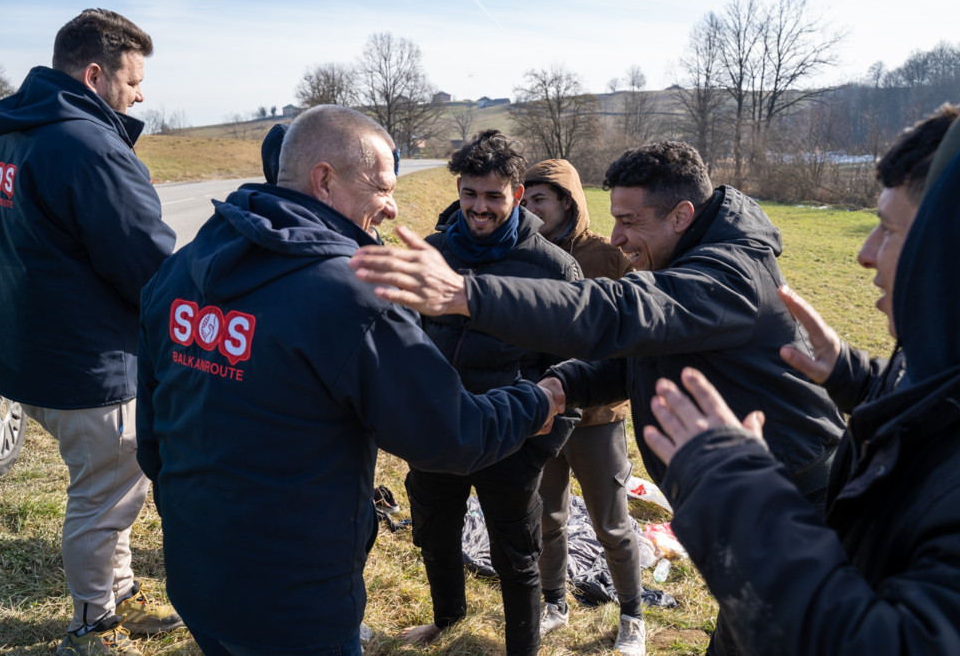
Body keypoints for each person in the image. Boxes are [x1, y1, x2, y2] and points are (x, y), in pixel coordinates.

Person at [135, 107, 560, 656]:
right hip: (298, 601)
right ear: (325, 180)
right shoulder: (352, 293)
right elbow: (452, 435)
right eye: (382, 186)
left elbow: (151, 436)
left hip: (197, 572)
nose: (393, 204)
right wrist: (538, 399)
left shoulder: (180, 269)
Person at [639, 99, 960, 654]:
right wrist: (856, 376)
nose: (866, 254)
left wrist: (741, 491)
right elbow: (948, 412)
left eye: (891, 231)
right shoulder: (944, 356)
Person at [350, 141, 844, 504]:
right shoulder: (688, 261)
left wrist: (468, 294)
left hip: (800, 499)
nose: (615, 239)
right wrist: (566, 384)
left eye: (630, 221)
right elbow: (640, 356)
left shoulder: (727, 277)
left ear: (681, 215)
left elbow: (616, 311)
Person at [0, 9, 181, 655]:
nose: (140, 94)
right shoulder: (89, 147)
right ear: (95, 74)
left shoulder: (5, 136)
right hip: (89, 364)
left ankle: (118, 591)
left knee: (106, 487)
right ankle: (93, 623)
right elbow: (148, 265)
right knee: (104, 497)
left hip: (26, 353)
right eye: (133, 80)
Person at [398, 131, 581, 656]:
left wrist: (536, 450)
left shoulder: (553, 268)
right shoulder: (431, 254)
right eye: (469, 194)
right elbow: (403, 344)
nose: (479, 208)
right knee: (434, 533)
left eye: (493, 196)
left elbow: (572, 371)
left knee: (516, 554)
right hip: (437, 434)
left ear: (517, 195)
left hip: (510, 443)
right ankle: (446, 618)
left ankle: (521, 647)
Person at [519, 159, 645, 654]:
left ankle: (633, 616)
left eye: (539, 200)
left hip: (598, 418)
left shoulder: (607, 254)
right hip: (542, 414)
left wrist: (613, 389)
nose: (529, 209)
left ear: (567, 202)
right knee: (546, 517)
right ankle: (554, 603)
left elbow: (636, 322)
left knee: (610, 522)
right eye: (524, 201)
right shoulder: (526, 253)